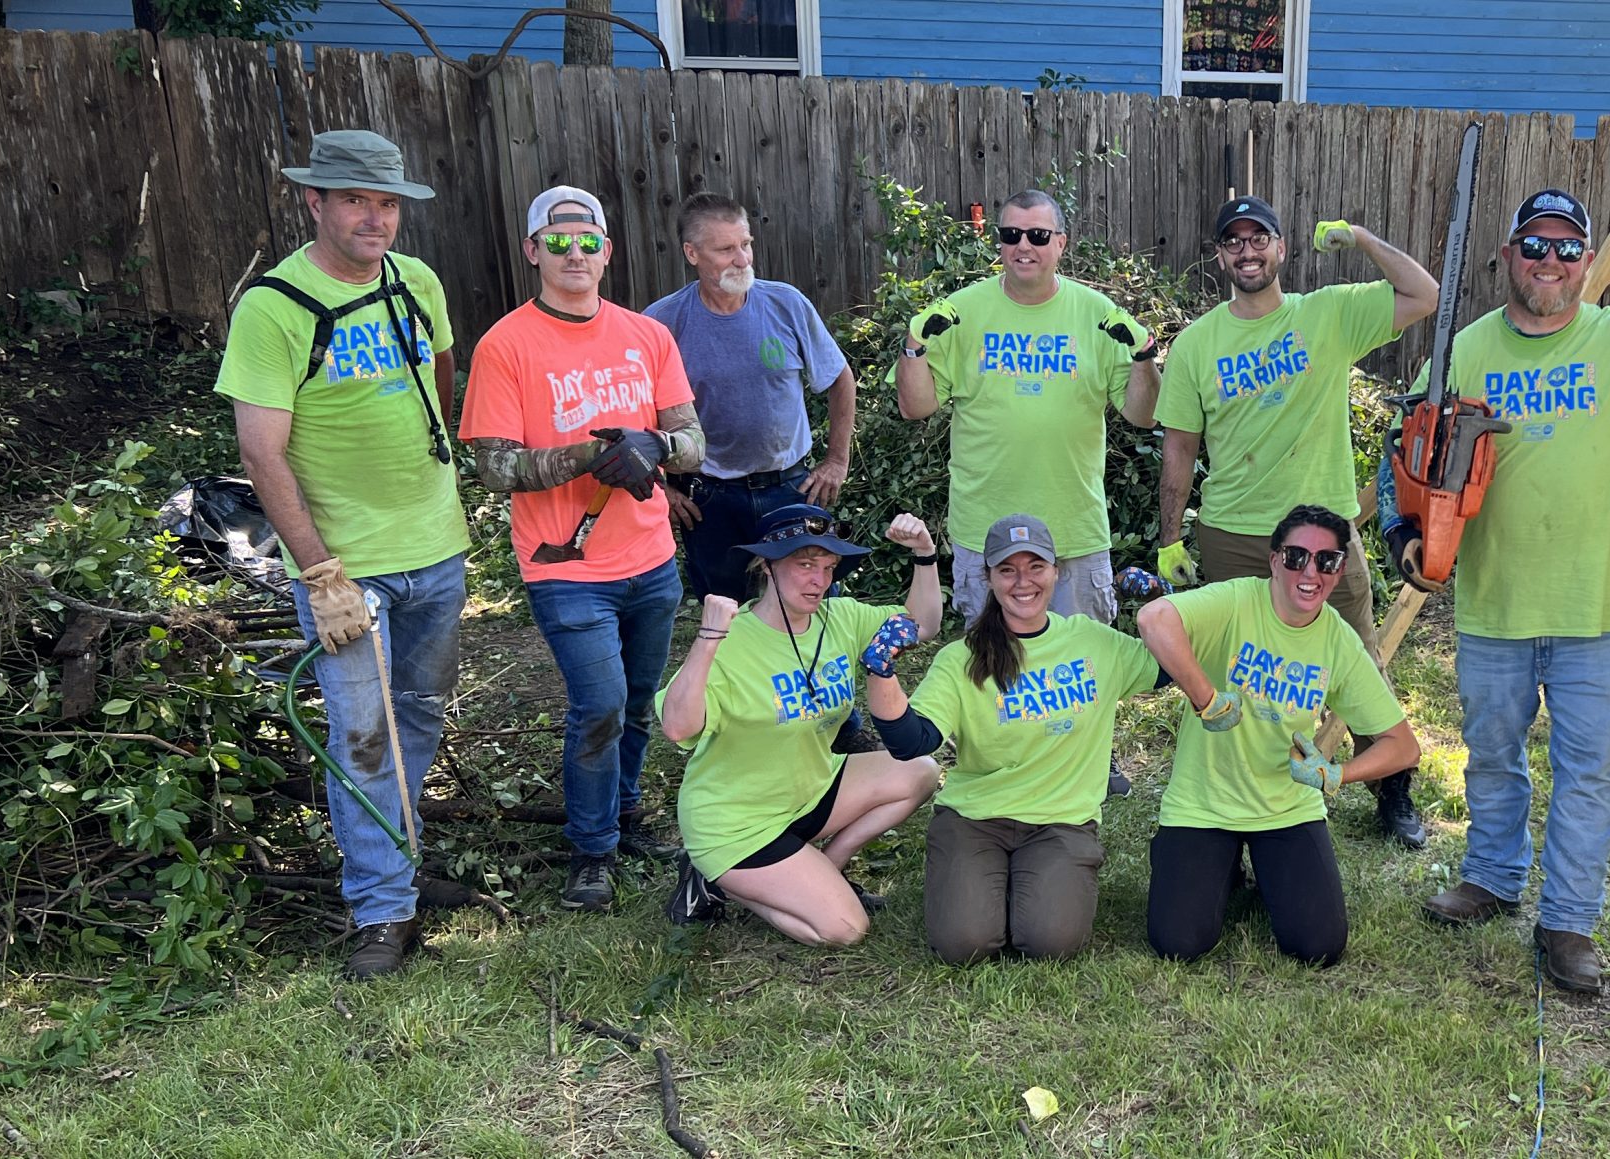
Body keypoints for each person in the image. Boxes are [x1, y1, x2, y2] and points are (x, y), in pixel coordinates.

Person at [1388, 189, 1610, 994]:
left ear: (1588, 262)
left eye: (1565, 249)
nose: (1548, 262)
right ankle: (1490, 873)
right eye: (1533, 246)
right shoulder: (1466, 348)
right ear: (1509, 256)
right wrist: (1402, 533)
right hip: (1495, 599)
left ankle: (1569, 921)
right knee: (1492, 753)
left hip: (1595, 607)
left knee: (1587, 771)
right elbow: (1402, 447)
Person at [218, 129, 465, 980]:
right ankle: (382, 909)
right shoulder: (273, 309)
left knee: (421, 715)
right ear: (314, 201)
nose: (375, 218)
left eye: (387, 202)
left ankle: (399, 858)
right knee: (364, 733)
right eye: (355, 199)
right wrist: (321, 572)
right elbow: (261, 453)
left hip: (437, 545)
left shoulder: (416, 282)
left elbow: (439, 373)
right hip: (345, 564)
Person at [1154, 194, 1440, 848]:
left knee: (1360, 660)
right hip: (1234, 531)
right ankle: (1240, 800)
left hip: (1324, 534)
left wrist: (1363, 235)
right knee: (1237, 670)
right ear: (1220, 254)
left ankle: (1392, 792)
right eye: (1234, 241)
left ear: (1282, 249)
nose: (1247, 250)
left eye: (1260, 239)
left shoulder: (1328, 314)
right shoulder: (1198, 344)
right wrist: (1169, 538)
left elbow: (1422, 294)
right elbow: (1178, 449)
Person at [458, 185, 707, 912]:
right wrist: (588, 457)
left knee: (635, 702)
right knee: (596, 703)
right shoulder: (506, 345)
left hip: (652, 559)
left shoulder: (646, 336)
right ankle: (590, 849)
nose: (575, 254)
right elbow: (496, 467)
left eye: (588, 241)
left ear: (608, 251)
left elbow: (691, 445)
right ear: (533, 250)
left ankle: (626, 817)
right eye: (558, 241)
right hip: (564, 569)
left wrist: (652, 444)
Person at [896, 188, 1160, 797]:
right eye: (1011, 235)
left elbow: (1143, 417)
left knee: (1082, 661)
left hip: (1072, 527)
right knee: (991, 653)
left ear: (1061, 244)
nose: (1023, 247)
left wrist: (1145, 355)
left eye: (1038, 236)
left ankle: (1093, 757)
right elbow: (917, 407)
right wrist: (914, 346)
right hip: (984, 526)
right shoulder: (960, 313)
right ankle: (995, 757)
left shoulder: (1096, 315)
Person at [862, 515, 1172, 963]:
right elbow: (912, 742)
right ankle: (979, 879)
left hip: (1060, 821)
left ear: (1056, 572)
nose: (1022, 582)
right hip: (976, 819)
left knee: (1052, 942)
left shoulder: (1092, 642)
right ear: (988, 578)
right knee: (962, 945)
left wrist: (1162, 603)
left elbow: (1171, 666)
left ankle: (1028, 883)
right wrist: (881, 670)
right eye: (1007, 569)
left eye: (1036, 567)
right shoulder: (962, 657)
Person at [1135, 505, 1422, 966]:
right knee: (1179, 943)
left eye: (1326, 561)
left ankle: (1260, 869)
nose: (1310, 572)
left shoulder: (1338, 640)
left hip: (1285, 807)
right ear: (1274, 561)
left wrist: (1336, 775)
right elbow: (1153, 619)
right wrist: (1206, 699)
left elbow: (1403, 746)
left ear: (1340, 570)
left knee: (1319, 947)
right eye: (1295, 558)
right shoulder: (1235, 600)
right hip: (1203, 802)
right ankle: (1217, 865)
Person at [658, 504, 946, 945]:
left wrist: (925, 554)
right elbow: (677, 728)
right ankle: (716, 878)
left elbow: (921, 626)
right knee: (845, 929)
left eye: (828, 567)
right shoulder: (734, 640)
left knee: (921, 770)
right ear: (767, 565)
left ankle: (827, 868)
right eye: (805, 565)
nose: (819, 580)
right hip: (736, 822)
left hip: (808, 790)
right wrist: (709, 637)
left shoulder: (840, 619)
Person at [644, 191, 860, 603]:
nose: (742, 259)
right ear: (692, 253)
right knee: (726, 618)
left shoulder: (786, 304)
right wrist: (661, 489)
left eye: (745, 245)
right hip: (706, 499)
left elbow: (840, 378)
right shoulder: (660, 324)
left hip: (791, 488)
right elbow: (633, 417)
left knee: (812, 607)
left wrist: (836, 460)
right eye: (725, 249)